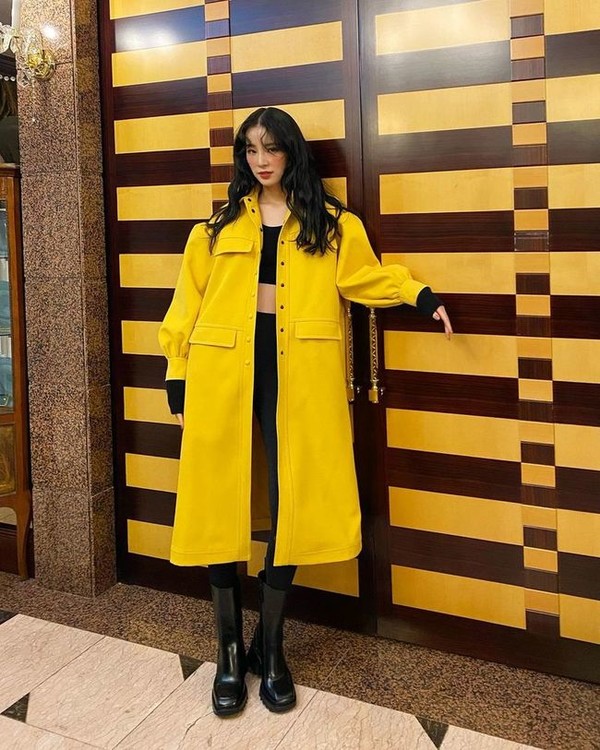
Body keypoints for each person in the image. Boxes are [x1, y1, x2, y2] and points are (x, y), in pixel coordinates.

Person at [158, 107, 453, 718]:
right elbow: (186, 305)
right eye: (250, 150)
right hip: (220, 371)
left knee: (291, 499)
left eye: (271, 148)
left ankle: (271, 646)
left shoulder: (334, 225)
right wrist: (177, 375)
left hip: (300, 374)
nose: (260, 160)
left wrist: (418, 295)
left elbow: (366, 279)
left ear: (292, 152)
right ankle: (229, 651)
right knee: (218, 498)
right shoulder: (213, 229)